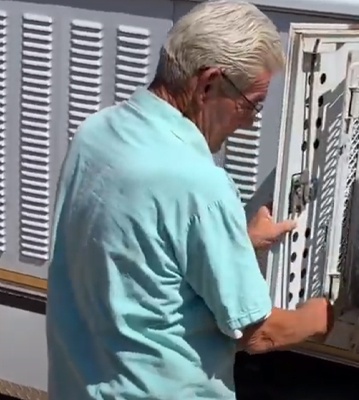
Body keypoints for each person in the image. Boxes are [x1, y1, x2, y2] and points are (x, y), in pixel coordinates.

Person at [46, 1, 334, 399]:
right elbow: (258, 333)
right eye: (251, 103)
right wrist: (326, 313)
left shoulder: (94, 134)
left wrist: (237, 242)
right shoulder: (199, 182)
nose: (249, 121)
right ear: (208, 83)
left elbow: (133, 257)